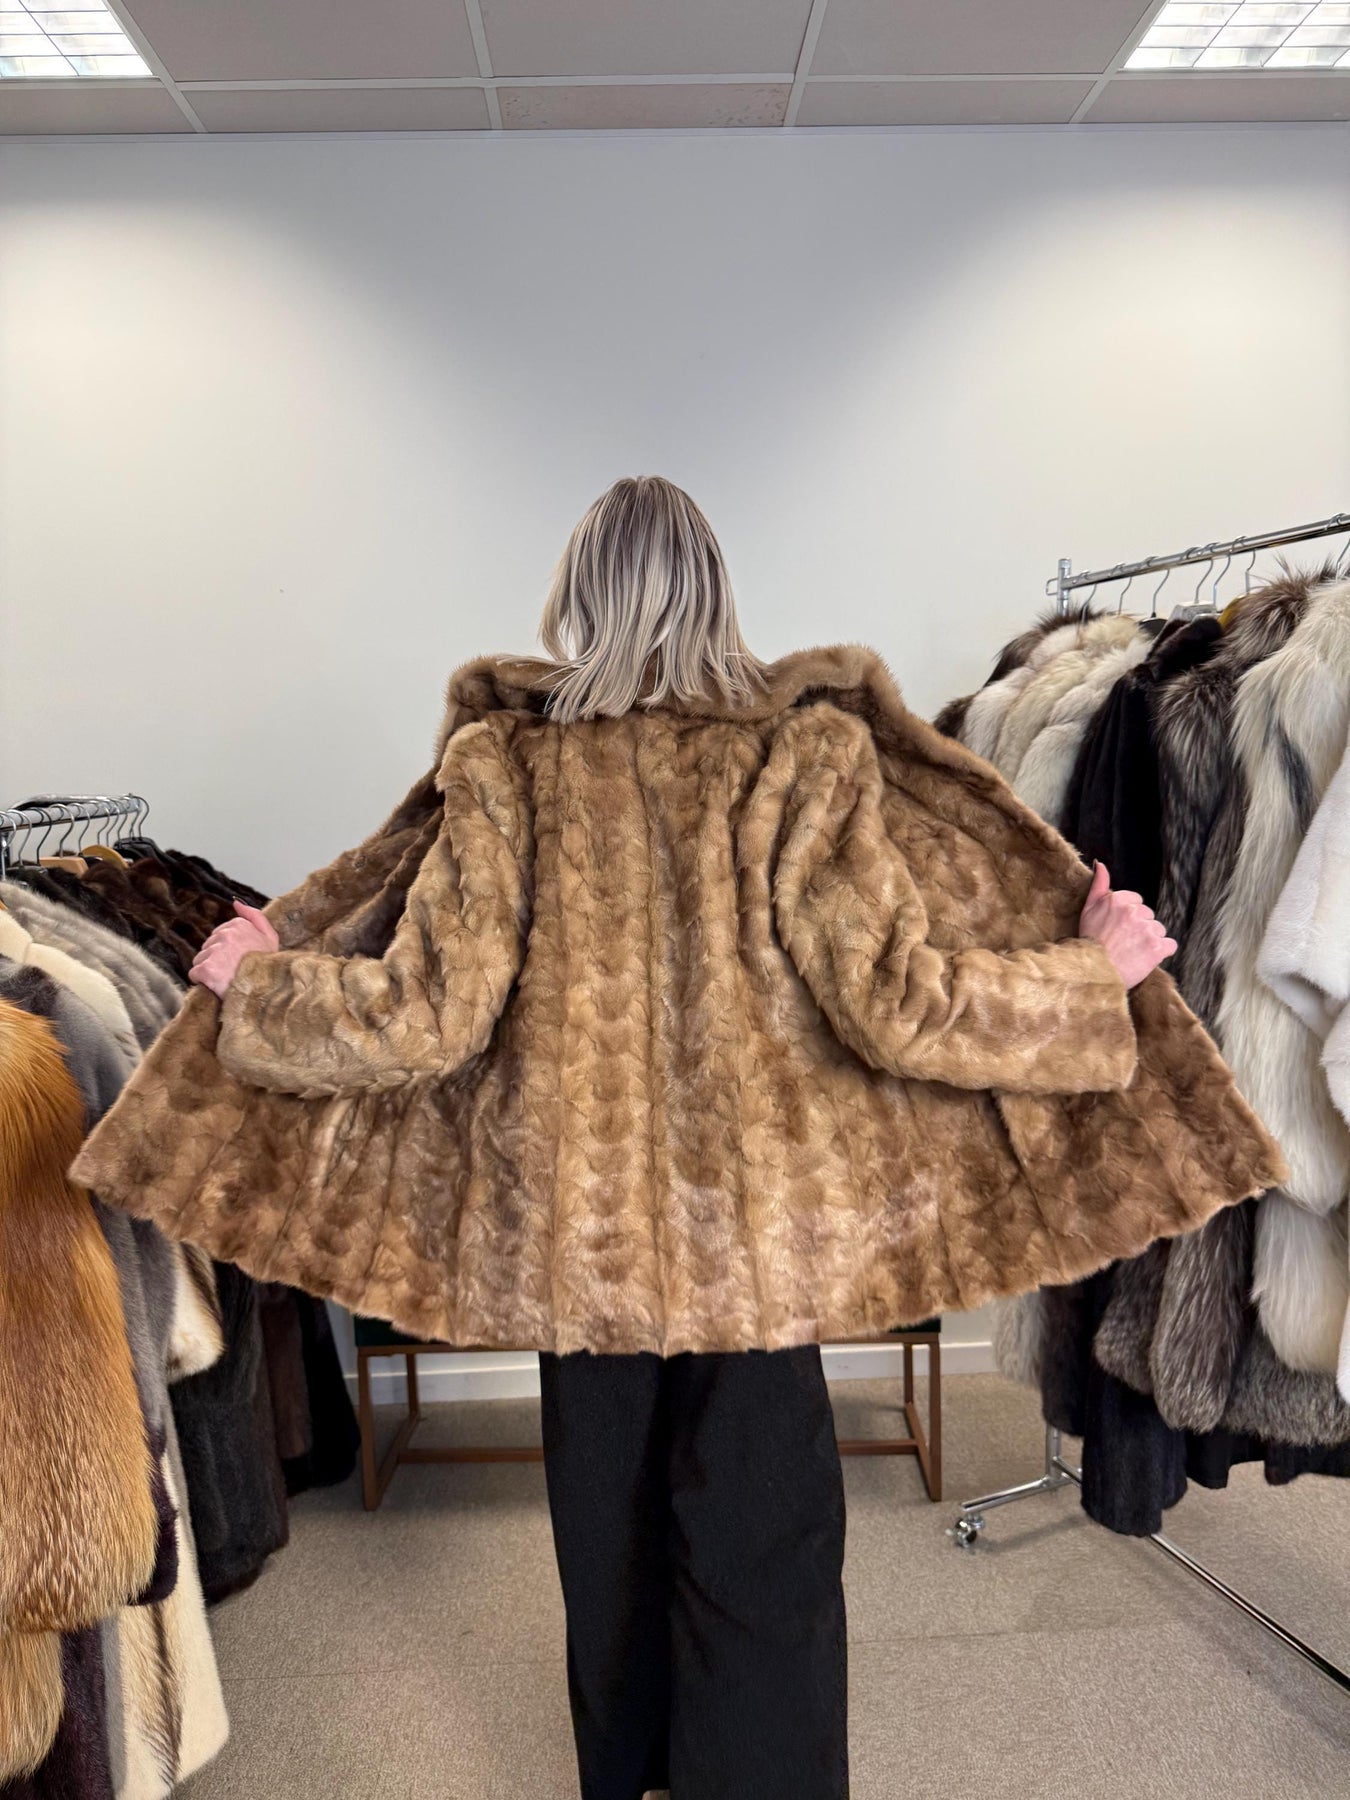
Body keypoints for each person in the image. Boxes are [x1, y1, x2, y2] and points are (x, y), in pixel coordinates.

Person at [185, 477, 1177, 1800]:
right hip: (754, 1248)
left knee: (609, 1545)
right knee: (766, 1543)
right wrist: (1088, 979)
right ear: (715, 592)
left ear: (577, 596)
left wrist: (258, 986)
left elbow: (424, 1013)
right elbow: (899, 1000)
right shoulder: (800, 756)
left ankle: (633, 1776)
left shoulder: (506, 766)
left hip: (580, 1252)